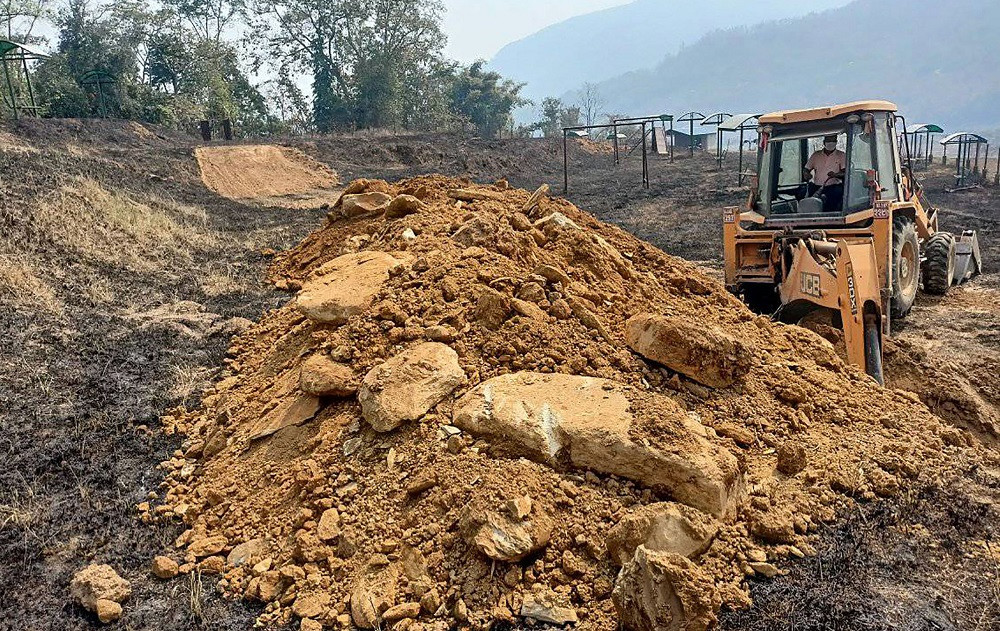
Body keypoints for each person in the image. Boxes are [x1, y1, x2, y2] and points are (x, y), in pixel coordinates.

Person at [804, 135, 846, 211]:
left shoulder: (841, 155)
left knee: (832, 203)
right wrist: (807, 174)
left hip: (834, 188)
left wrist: (835, 175)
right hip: (817, 187)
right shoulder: (816, 155)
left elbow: (846, 173)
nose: (831, 143)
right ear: (824, 142)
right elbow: (806, 169)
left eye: (833, 141)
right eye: (829, 141)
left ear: (836, 142)